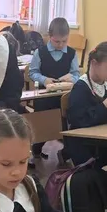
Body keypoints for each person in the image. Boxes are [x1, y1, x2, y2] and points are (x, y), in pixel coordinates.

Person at [28, 17, 80, 162]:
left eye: (64, 41)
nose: (61, 45)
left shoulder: (71, 53)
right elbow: (32, 72)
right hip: (44, 97)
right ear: (50, 36)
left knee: (65, 126)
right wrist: (44, 80)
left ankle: (65, 153)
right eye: (57, 41)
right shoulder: (40, 52)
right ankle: (35, 151)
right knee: (42, 127)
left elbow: (77, 75)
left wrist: (71, 78)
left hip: (64, 97)